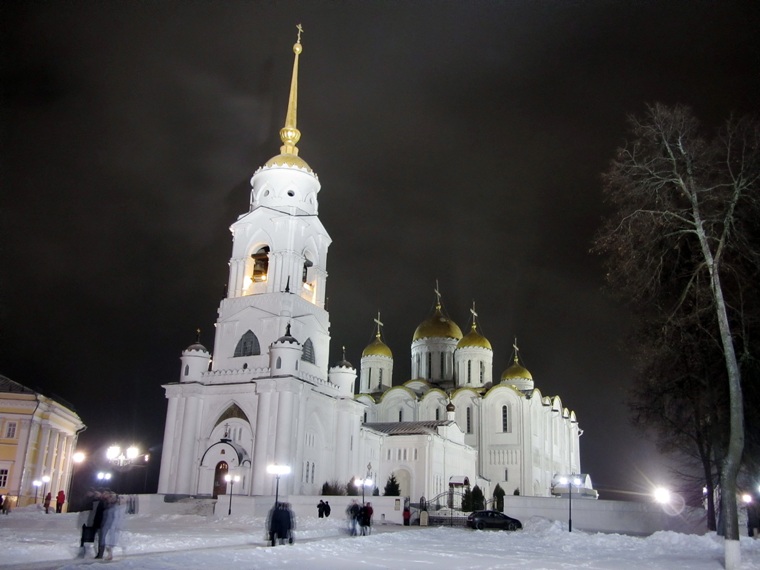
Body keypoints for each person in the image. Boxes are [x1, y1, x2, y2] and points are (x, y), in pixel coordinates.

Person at [102, 494, 126, 560]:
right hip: (111, 526)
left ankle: (123, 552)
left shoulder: (122, 508)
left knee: (117, 540)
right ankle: (110, 554)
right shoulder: (114, 507)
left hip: (116, 527)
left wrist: (119, 525)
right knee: (109, 541)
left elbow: (120, 518)